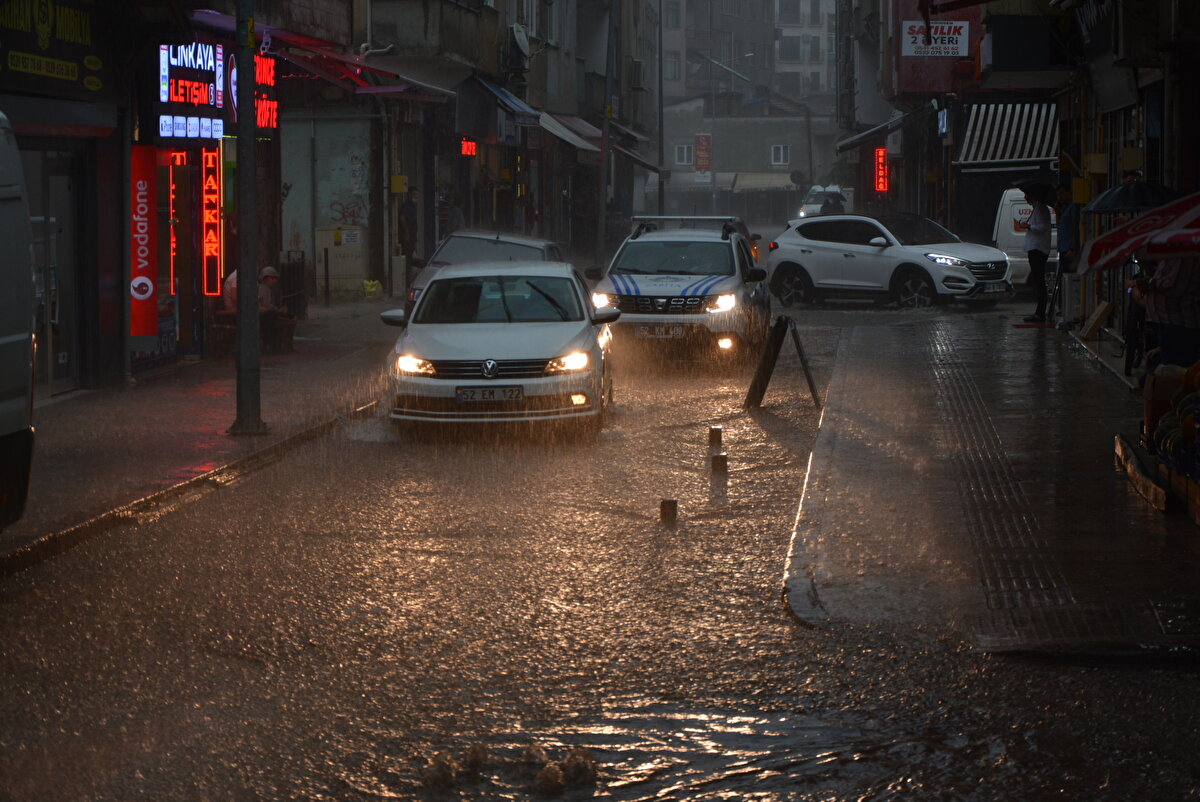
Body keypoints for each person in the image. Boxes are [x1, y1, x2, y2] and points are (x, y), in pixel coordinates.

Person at [1134, 257, 1200, 367]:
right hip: (1167, 323)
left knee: (1173, 371)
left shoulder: (1185, 257)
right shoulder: (1170, 256)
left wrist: (1148, 283)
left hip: (1179, 324)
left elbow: (1175, 286)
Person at [1018, 187, 1053, 323]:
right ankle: (1039, 312)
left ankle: (1040, 313)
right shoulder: (1037, 208)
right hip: (1035, 248)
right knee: (1038, 282)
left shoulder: (1041, 209)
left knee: (1039, 282)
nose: (1026, 198)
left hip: (1038, 248)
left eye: (1027, 195)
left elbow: (1042, 227)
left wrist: (1029, 226)